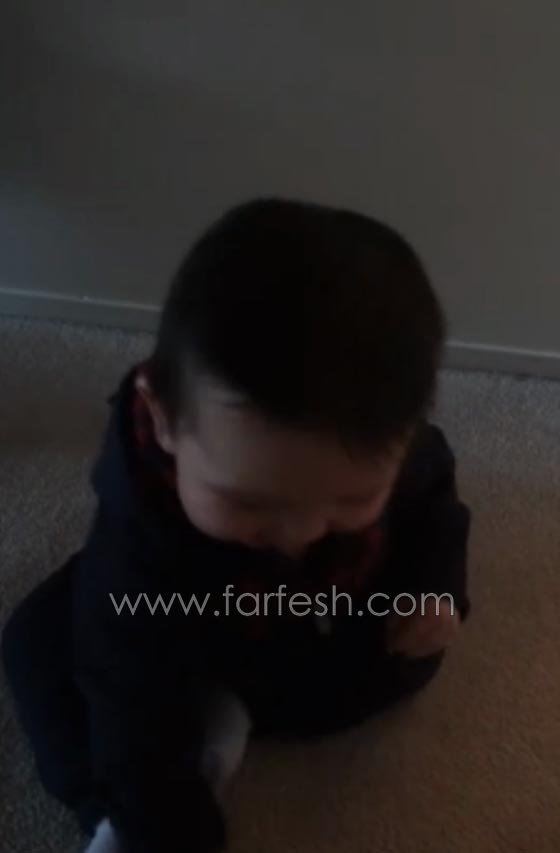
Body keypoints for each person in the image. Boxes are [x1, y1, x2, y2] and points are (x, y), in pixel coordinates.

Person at [2, 198, 471, 853]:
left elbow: (434, 505)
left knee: (393, 659)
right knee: (44, 645)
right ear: (164, 421)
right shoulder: (138, 524)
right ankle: (123, 805)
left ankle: (225, 715)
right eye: (250, 501)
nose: (300, 532)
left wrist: (433, 588)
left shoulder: (402, 449)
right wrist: (165, 826)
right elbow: (125, 692)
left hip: (322, 637)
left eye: (350, 498)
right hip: (174, 609)